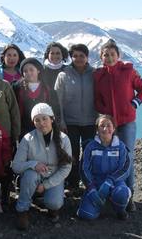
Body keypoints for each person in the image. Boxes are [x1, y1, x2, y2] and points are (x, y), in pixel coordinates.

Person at [93, 39, 142, 212]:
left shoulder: (128, 71)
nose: (109, 57)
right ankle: (114, 192)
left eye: (112, 54)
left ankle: (129, 195)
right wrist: (104, 111)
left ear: (118, 56)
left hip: (126, 122)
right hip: (109, 125)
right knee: (110, 157)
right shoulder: (99, 75)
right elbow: (97, 100)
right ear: (101, 57)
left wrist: (135, 103)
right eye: (105, 55)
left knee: (127, 157)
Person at [12, 103, 72, 230]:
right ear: (33, 122)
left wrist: (46, 185)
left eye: (45, 118)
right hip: (34, 174)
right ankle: (22, 209)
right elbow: (16, 166)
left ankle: (49, 204)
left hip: (54, 175)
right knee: (29, 175)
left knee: (54, 203)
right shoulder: (28, 139)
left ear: (52, 119)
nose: (41, 123)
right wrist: (33, 164)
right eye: (37, 120)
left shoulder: (63, 139)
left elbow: (66, 167)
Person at [54, 43, 97, 193]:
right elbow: (57, 101)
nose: (78, 58)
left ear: (87, 57)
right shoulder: (63, 75)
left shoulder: (95, 74)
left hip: (91, 122)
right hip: (70, 123)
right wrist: (61, 121)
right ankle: (72, 183)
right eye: (75, 56)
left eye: (82, 56)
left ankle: (88, 183)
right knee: (72, 154)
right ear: (71, 57)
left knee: (88, 153)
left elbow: (100, 96)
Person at [77, 114, 132, 220]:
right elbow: (84, 169)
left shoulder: (121, 147)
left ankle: (119, 210)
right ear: (97, 129)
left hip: (115, 183)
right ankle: (100, 204)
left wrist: (110, 180)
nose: (105, 128)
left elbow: (125, 169)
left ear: (114, 128)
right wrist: (91, 187)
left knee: (122, 194)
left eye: (109, 125)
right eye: (102, 126)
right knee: (85, 215)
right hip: (95, 183)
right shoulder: (90, 147)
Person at [13, 57, 60, 139]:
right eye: (25, 71)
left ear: (38, 70)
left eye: (31, 70)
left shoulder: (46, 89)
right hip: (24, 129)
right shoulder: (18, 88)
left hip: (44, 127)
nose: (28, 73)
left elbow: (53, 109)